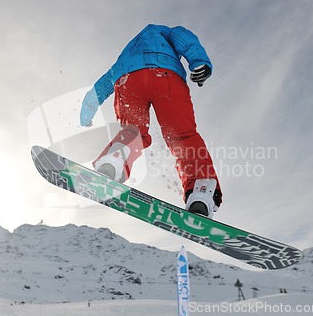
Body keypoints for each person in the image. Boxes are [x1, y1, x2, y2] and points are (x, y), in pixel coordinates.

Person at [80, 24, 222, 217]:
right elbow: (184, 38)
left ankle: (113, 160)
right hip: (166, 77)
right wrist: (199, 62)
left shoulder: (126, 55)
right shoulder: (165, 33)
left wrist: (87, 111)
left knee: (133, 132)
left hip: (128, 79)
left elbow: (105, 82)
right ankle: (201, 191)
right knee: (183, 136)